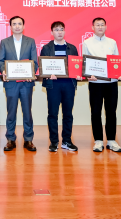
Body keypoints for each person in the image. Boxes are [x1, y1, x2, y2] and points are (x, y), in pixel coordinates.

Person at [82, 17, 121, 153]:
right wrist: (89, 75)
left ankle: (111, 140)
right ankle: (98, 140)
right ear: (92, 27)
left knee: (111, 111)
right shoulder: (87, 43)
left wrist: (119, 73)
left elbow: (117, 61)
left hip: (111, 82)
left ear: (106, 26)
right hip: (95, 82)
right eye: (97, 25)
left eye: (102, 25)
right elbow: (85, 62)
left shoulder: (112, 42)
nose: (100, 27)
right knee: (95, 112)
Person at [0, 15, 38, 152]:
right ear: (10, 27)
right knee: (11, 112)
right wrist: (4, 70)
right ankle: (10, 139)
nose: (17, 26)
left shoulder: (30, 41)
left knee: (27, 112)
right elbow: (1, 61)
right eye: (14, 24)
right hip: (11, 83)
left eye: (19, 24)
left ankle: (28, 139)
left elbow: (35, 61)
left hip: (26, 83)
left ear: (23, 26)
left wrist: (31, 73)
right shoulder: (4, 42)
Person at [40, 21, 81, 152]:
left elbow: (76, 65)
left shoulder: (72, 48)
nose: (59, 32)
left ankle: (67, 141)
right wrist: (48, 74)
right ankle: (54, 141)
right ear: (52, 32)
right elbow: (42, 67)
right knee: (53, 114)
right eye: (56, 29)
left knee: (68, 114)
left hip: (69, 84)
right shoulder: (46, 48)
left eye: (61, 29)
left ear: (65, 31)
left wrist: (79, 74)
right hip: (53, 85)